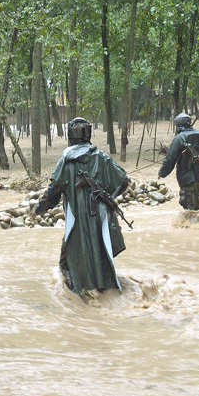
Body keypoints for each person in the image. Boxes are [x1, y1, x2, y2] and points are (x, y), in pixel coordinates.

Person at [35, 117, 129, 295]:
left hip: (76, 218)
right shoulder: (101, 156)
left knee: (68, 262)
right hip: (100, 217)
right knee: (102, 253)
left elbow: (53, 191)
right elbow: (123, 180)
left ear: (71, 135)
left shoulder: (66, 159)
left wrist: (39, 209)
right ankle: (103, 292)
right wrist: (108, 197)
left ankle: (77, 299)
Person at [158, 113, 199, 211]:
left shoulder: (179, 138)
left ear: (179, 125)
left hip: (186, 176)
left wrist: (162, 173)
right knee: (195, 200)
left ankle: (195, 224)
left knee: (190, 206)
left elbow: (170, 159)